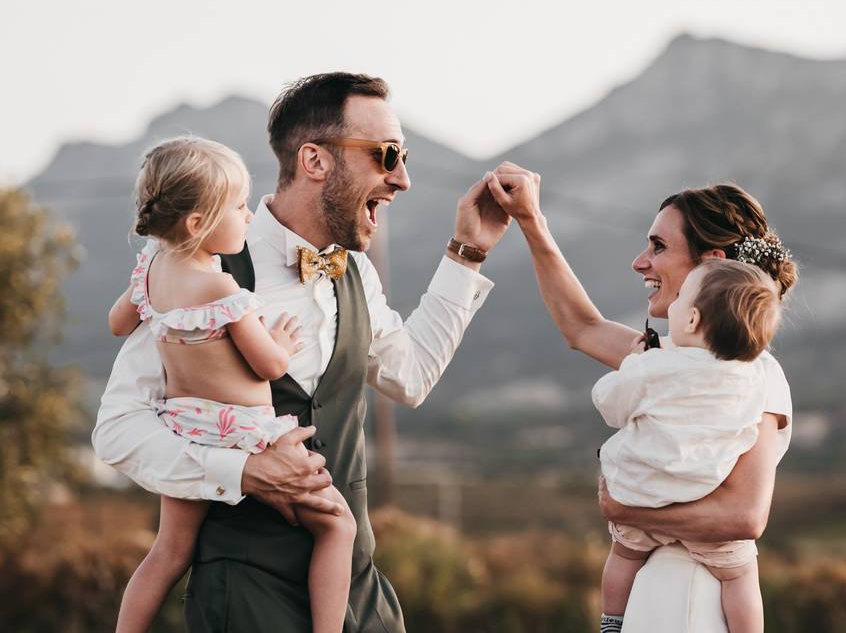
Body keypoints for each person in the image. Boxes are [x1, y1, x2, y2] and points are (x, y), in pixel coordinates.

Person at [94, 73, 511, 632]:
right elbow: (118, 431)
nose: (403, 179)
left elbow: (409, 377)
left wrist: (467, 254)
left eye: (403, 156)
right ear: (314, 160)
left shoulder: (357, 272)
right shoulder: (195, 265)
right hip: (242, 595)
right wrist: (242, 469)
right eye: (387, 155)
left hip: (357, 598)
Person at [483, 165, 796, 632]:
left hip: (693, 599)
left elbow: (745, 516)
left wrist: (624, 507)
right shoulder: (663, 362)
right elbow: (582, 327)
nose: (640, 262)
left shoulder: (754, 374)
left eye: (658, 247)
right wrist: (531, 221)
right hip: (653, 594)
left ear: (710, 263)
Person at [106, 136, 357, 633]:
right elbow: (266, 366)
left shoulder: (151, 269)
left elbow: (118, 322)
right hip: (247, 434)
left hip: (185, 428)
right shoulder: (224, 288)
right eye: (239, 206)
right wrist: (281, 342)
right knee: (338, 525)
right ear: (198, 225)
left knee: (169, 550)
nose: (248, 215)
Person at [595, 259, 784, 633]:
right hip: (707, 508)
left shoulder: (655, 366)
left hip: (642, 498)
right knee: (740, 576)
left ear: (693, 320)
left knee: (622, 556)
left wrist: (633, 364)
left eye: (681, 297)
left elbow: (608, 403)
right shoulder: (753, 378)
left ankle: (610, 622)